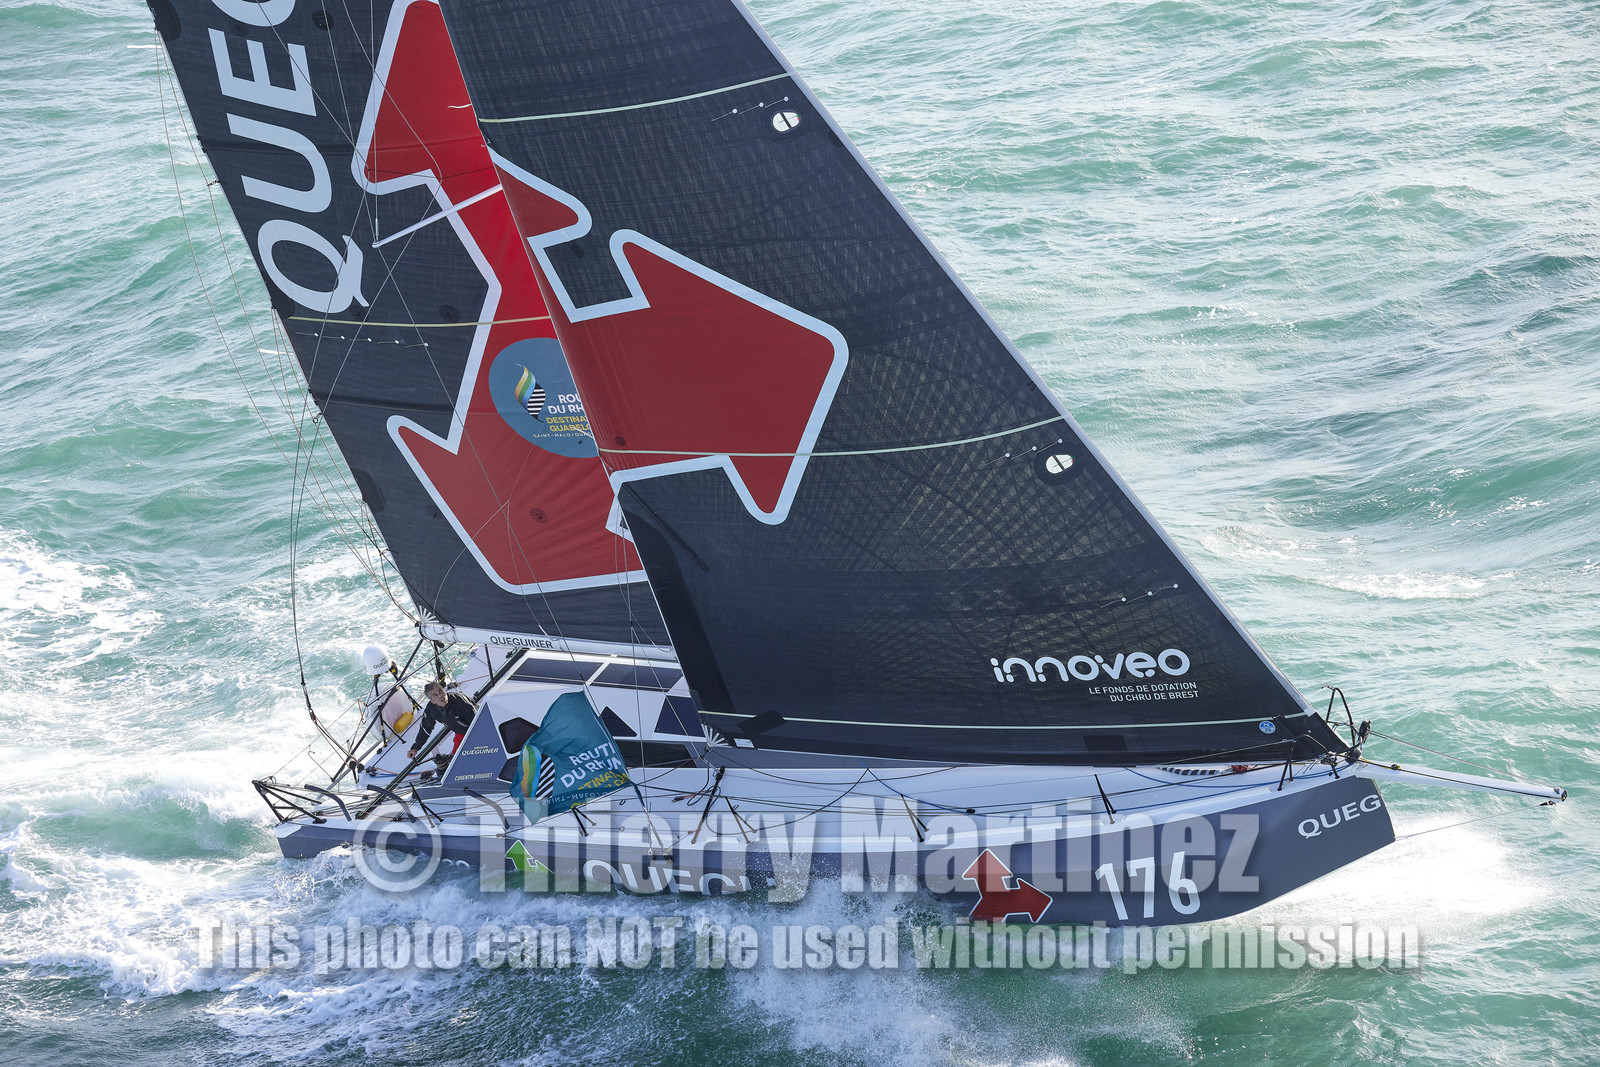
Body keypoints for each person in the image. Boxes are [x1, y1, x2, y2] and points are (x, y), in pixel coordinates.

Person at [408, 681, 477, 774]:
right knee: (456, 762)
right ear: (432, 701)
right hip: (461, 733)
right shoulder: (431, 709)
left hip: (476, 729)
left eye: (440, 691)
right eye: (435, 695)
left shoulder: (459, 700)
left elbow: (477, 720)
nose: (440, 695)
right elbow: (425, 728)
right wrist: (415, 748)